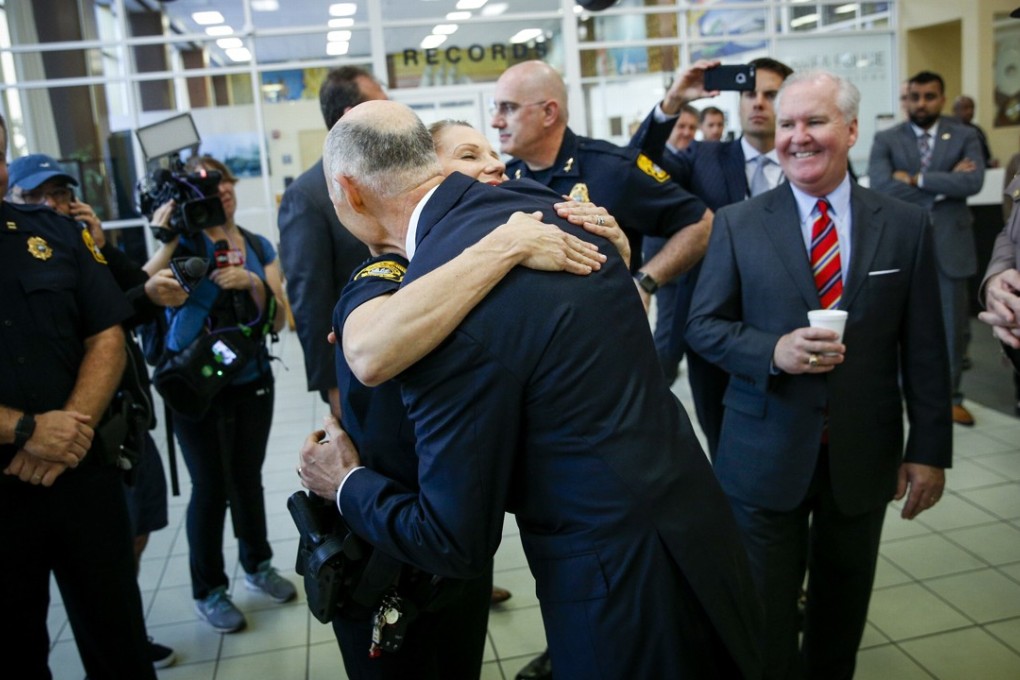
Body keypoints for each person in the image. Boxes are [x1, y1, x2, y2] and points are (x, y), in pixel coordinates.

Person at [302, 99, 763, 679]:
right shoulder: (557, 211)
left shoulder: (439, 310)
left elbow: (453, 538)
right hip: (696, 520)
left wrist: (343, 483)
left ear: (349, 190)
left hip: (614, 580)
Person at [319, 120, 613, 680]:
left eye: (494, 152)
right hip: (391, 548)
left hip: (459, 539)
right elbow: (370, 346)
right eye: (467, 156)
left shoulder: (517, 250)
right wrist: (505, 244)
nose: (494, 165)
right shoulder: (389, 278)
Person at [687, 69, 953, 680]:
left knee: (840, 614)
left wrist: (929, 449)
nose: (798, 138)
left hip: (863, 457)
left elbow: (927, 350)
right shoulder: (738, 223)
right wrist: (771, 351)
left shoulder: (905, 225)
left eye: (815, 121)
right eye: (786, 124)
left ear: (852, 129)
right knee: (764, 616)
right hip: (761, 454)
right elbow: (701, 327)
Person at [7, 152, 183, 669]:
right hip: (11, 478)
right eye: (36, 194)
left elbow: (108, 329)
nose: (51, 204)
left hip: (88, 458)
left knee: (116, 631)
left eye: (60, 193)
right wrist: (27, 431)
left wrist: (65, 434)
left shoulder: (63, 239)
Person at [144, 155, 294, 634]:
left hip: (251, 378)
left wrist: (251, 283)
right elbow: (141, 292)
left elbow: (277, 320)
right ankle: (208, 589)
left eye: (223, 180)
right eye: (205, 184)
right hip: (195, 386)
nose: (220, 190)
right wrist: (166, 240)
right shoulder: (180, 242)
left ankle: (258, 566)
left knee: (247, 478)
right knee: (210, 487)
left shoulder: (256, 244)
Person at [630, 56, 793, 457]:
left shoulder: (808, 162)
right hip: (716, 333)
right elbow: (638, 168)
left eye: (771, 94)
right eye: (749, 93)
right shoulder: (703, 158)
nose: (758, 102)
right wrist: (672, 102)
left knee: (791, 443)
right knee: (724, 446)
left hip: (791, 328)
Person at [491, 60, 713, 316]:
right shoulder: (506, 178)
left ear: (549, 113)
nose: (496, 121)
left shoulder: (612, 168)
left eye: (508, 108)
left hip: (604, 328)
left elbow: (701, 224)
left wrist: (645, 281)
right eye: (495, 108)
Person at [868, 70, 986, 426]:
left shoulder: (965, 134)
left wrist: (917, 179)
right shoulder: (886, 138)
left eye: (929, 96)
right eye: (914, 97)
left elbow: (974, 181)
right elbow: (881, 186)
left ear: (942, 97)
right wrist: (947, 182)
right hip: (901, 243)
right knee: (897, 324)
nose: (921, 104)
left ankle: (950, 398)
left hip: (951, 244)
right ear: (907, 99)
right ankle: (902, 393)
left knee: (952, 329)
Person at [278, 65, 378, 418]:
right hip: (354, 366)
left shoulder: (387, 181)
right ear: (352, 116)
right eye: (381, 103)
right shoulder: (307, 196)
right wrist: (332, 385)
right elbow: (309, 298)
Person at [644, 102, 700, 382]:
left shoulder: (699, 158)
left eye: (692, 127)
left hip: (701, 259)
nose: (687, 133)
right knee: (669, 331)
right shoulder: (660, 162)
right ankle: (658, 384)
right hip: (668, 258)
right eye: (681, 127)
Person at [953, 95, 995, 167]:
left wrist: (990, 163)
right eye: (965, 108)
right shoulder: (950, 130)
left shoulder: (977, 130)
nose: (970, 111)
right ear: (955, 110)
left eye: (972, 107)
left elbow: (986, 155)